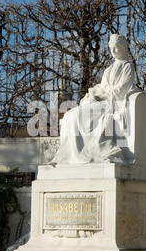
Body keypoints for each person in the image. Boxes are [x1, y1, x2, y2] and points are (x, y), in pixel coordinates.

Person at [49, 34, 136, 165]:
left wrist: (104, 96)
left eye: (116, 47)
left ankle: (95, 152)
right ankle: (66, 156)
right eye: (111, 48)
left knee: (81, 115)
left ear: (123, 48)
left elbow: (123, 87)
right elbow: (102, 86)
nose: (113, 51)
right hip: (102, 100)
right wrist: (92, 93)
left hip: (112, 102)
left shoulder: (127, 66)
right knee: (70, 114)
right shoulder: (109, 69)